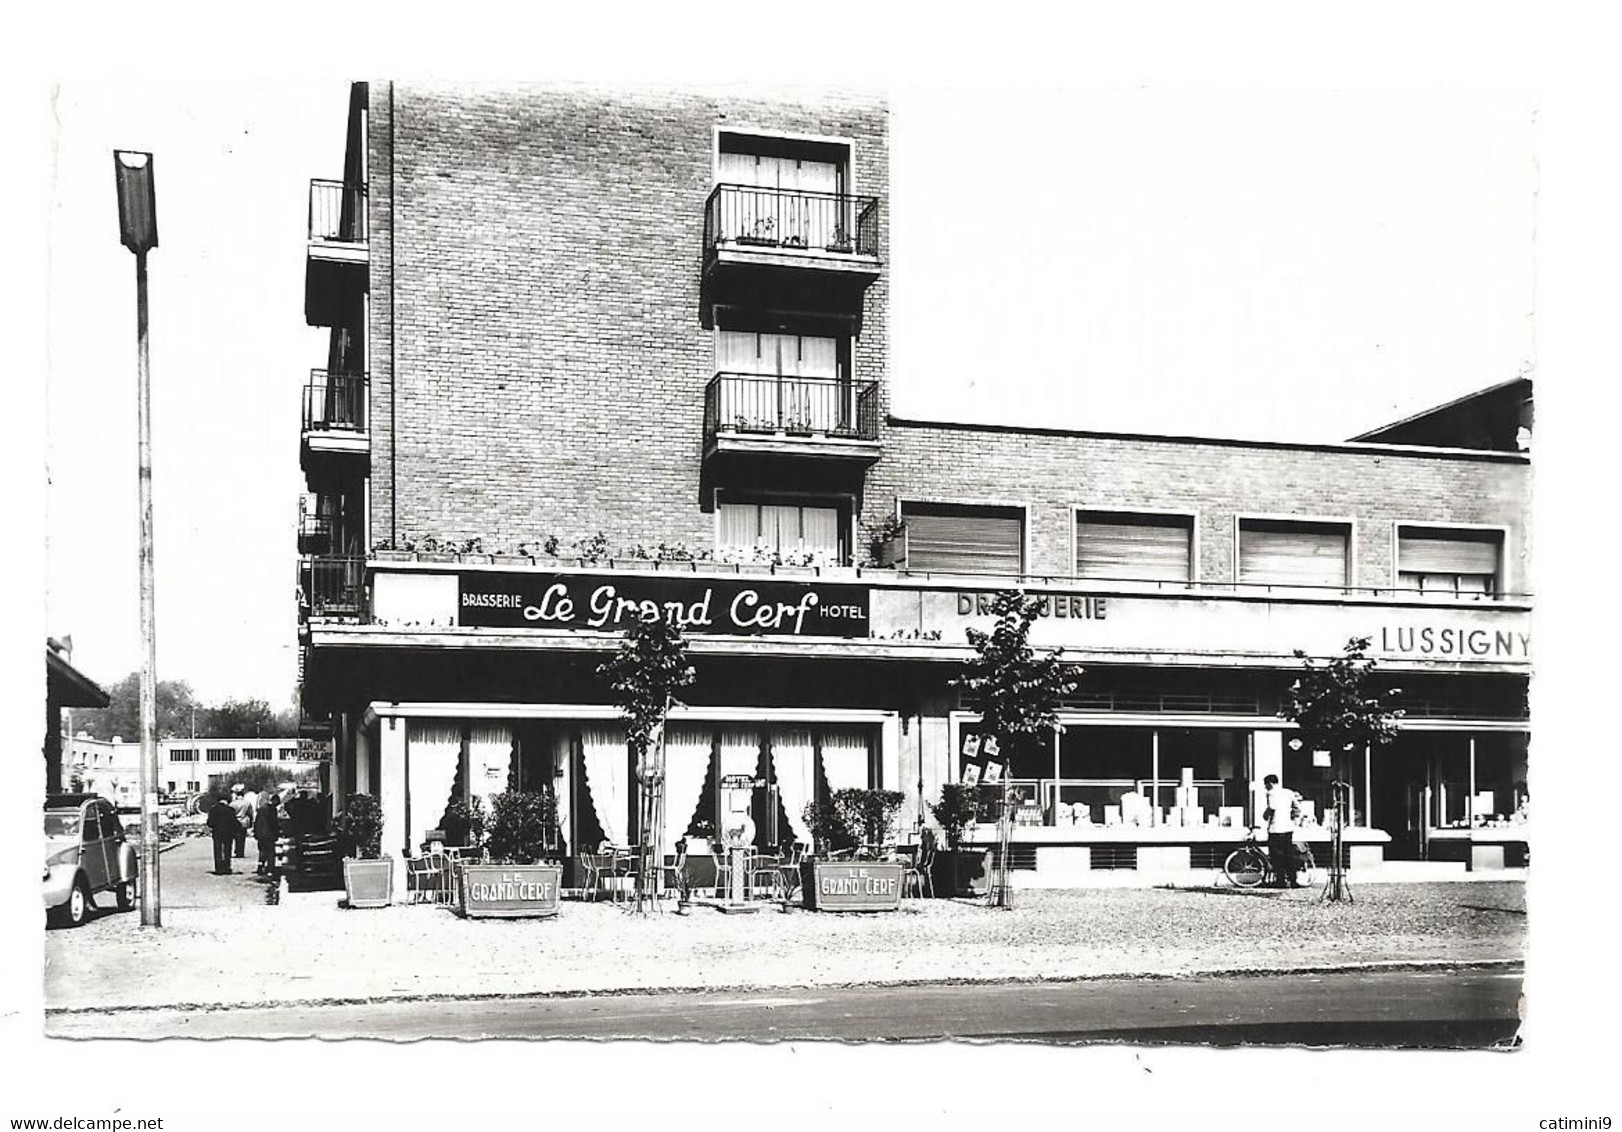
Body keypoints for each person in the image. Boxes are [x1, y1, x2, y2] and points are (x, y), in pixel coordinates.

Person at [1261, 774, 1303, 888]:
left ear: (1269, 784)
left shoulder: (1271, 793)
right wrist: (1294, 819)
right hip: (1288, 828)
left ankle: (1280, 881)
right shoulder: (1288, 792)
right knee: (1289, 855)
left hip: (1275, 829)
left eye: (1266, 785)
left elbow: (1272, 807)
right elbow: (1297, 808)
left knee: (1277, 857)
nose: (1265, 787)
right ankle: (1293, 880)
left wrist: (1265, 816)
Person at [207, 796, 239, 875]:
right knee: (227, 850)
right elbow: (234, 822)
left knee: (218, 849)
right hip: (228, 833)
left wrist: (214, 826)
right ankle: (226, 867)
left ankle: (219, 868)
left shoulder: (213, 810)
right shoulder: (230, 810)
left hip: (217, 832)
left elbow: (209, 822)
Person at [254, 793, 282, 877]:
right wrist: (277, 833)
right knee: (270, 852)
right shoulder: (272, 810)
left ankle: (260, 867)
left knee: (262, 851)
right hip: (269, 834)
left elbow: (257, 822)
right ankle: (270, 869)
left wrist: (256, 833)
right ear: (275, 801)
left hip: (261, 834)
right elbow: (274, 823)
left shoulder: (261, 809)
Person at [229, 784, 255, 859]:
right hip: (244, 821)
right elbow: (250, 813)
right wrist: (251, 822)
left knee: (235, 837)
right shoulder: (247, 803)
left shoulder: (232, 804)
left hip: (235, 822)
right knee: (242, 838)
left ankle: (236, 850)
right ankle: (241, 851)